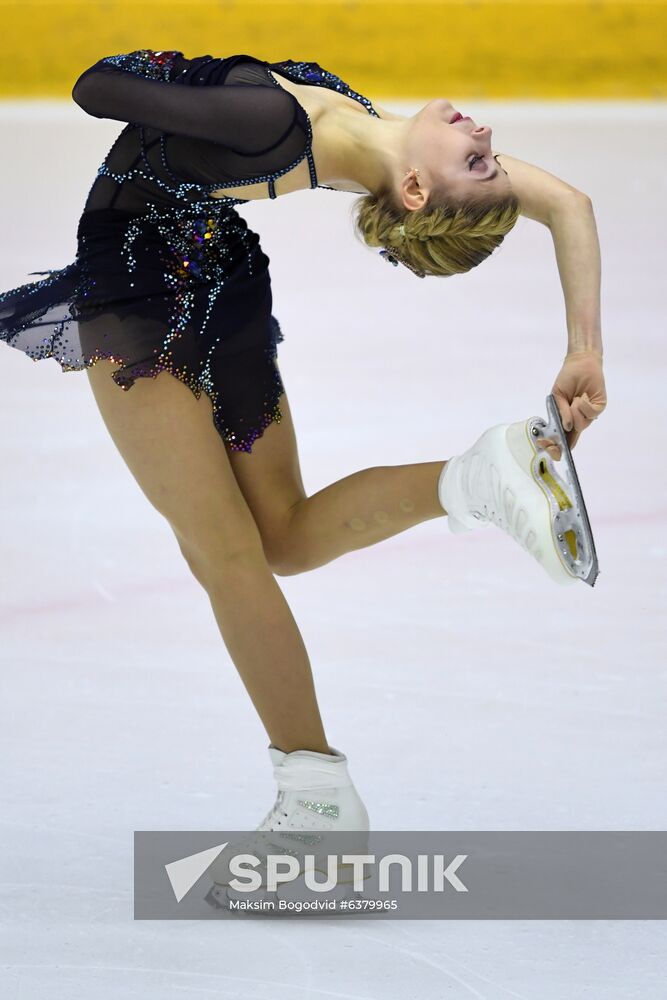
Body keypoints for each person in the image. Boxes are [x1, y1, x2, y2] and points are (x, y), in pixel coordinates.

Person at [0, 50, 606, 859]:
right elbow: (568, 202)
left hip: (137, 292)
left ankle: (314, 802)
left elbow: (92, 89)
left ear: (417, 192)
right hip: (219, 268)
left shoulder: (273, 124)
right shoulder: (372, 141)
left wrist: (173, 74)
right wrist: (584, 351)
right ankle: (477, 477)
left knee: (225, 555)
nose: (484, 132)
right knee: (279, 536)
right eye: (486, 155)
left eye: (477, 159)